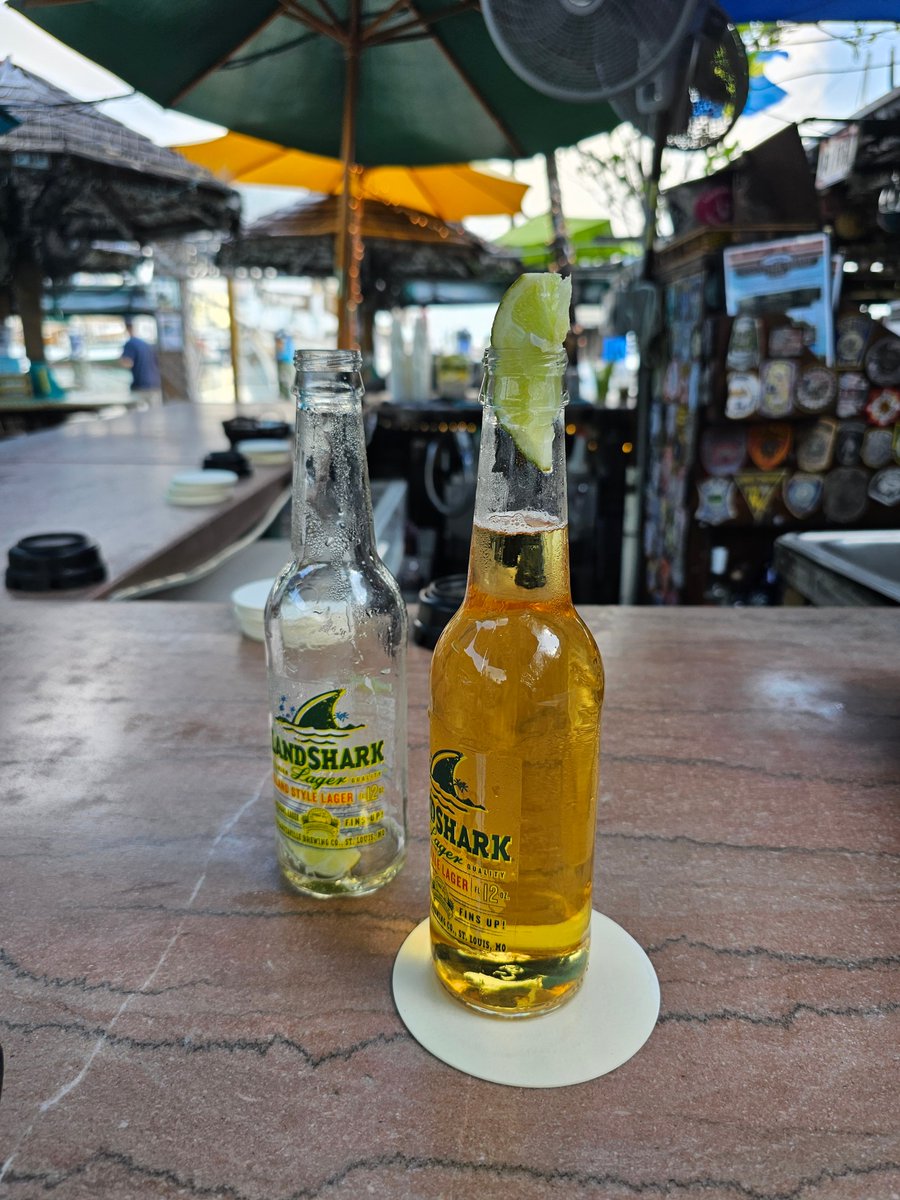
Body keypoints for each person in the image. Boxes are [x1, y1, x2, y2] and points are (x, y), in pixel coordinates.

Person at [120, 319, 161, 399]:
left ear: (127, 328)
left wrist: (119, 362)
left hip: (141, 385)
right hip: (155, 383)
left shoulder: (130, 343)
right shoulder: (147, 344)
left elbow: (127, 363)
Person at [274, 329, 295, 399]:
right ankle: (285, 397)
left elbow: (280, 345)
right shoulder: (288, 337)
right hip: (285, 360)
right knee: (284, 379)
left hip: (284, 360)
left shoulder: (283, 336)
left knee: (285, 379)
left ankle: (286, 397)